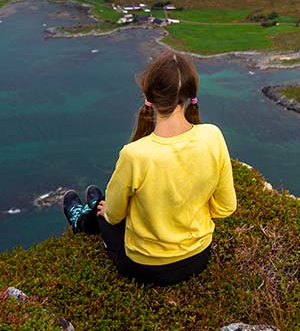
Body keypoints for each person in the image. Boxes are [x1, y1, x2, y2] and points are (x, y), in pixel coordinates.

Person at [62, 52, 236, 285]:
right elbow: (226, 207)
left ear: (149, 96)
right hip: (199, 256)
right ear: (190, 94)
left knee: (103, 213)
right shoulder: (213, 136)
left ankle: (83, 219)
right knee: (113, 207)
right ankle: (90, 209)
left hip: (146, 266)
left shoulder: (135, 154)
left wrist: (118, 211)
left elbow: (115, 216)